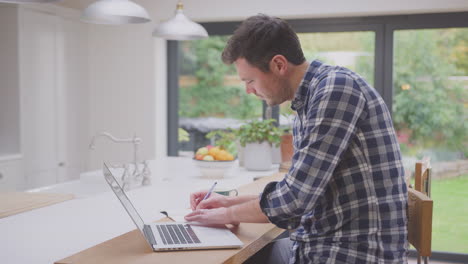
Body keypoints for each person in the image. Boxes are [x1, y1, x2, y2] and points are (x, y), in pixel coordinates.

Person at [185, 14, 408, 264]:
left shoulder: (336, 89)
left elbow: (294, 200)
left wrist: (227, 213)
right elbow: (297, 187)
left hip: (353, 253)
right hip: (326, 241)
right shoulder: (311, 99)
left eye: (250, 80)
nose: (248, 90)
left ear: (279, 64)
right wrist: (228, 202)